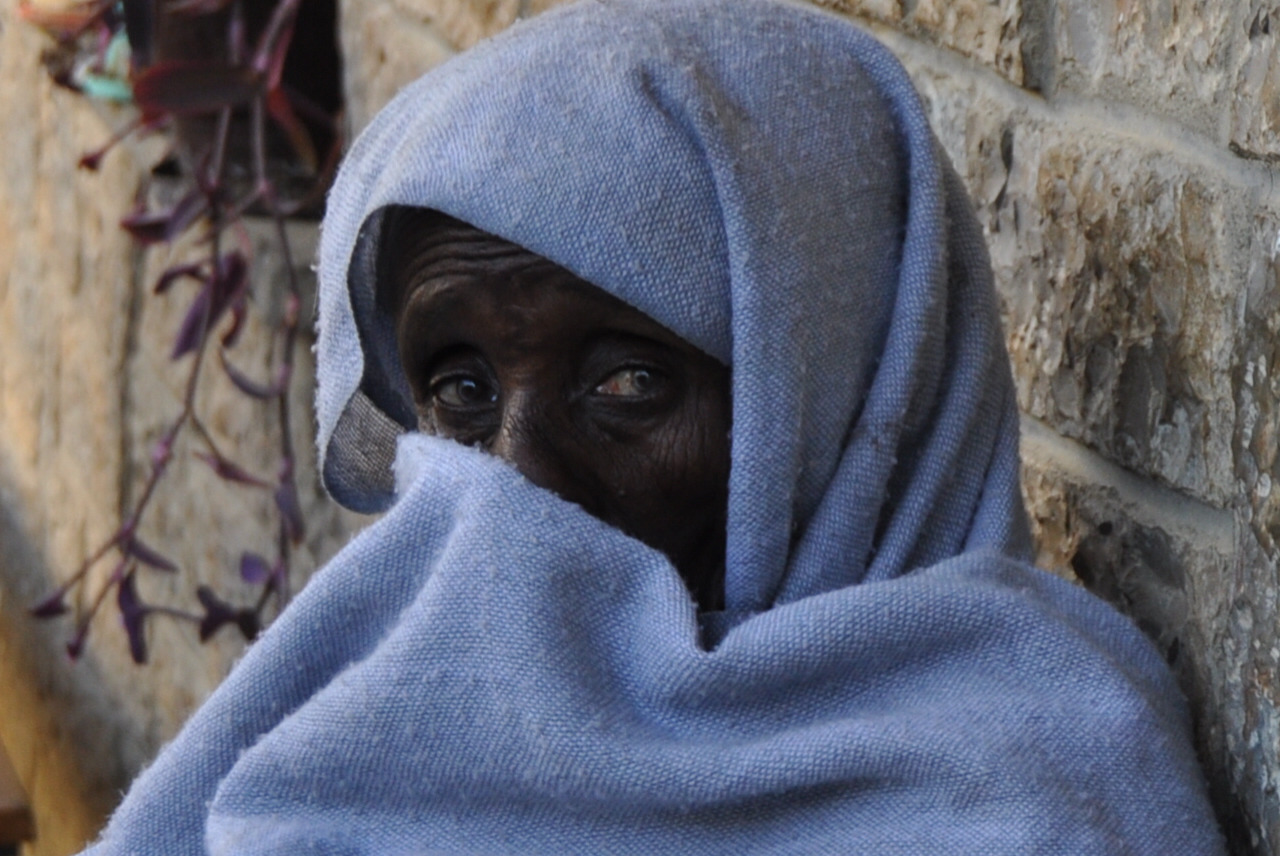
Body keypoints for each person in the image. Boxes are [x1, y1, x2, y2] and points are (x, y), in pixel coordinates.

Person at [80, 0, 1225, 853]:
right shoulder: (382, 726)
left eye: (628, 382)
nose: (515, 483)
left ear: (838, 393)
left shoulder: (1034, 789)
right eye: (461, 391)